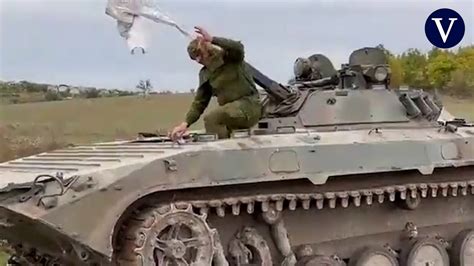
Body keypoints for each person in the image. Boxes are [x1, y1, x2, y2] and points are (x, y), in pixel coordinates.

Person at [170, 26, 262, 140]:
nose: (198, 61)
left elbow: (238, 47)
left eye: (199, 55)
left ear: (206, 50)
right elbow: (199, 102)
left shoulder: (230, 58)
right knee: (218, 125)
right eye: (195, 59)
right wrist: (185, 124)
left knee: (212, 119)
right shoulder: (205, 73)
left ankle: (223, 154)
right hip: (231, 113)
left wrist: (212, 39)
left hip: (249, 105)